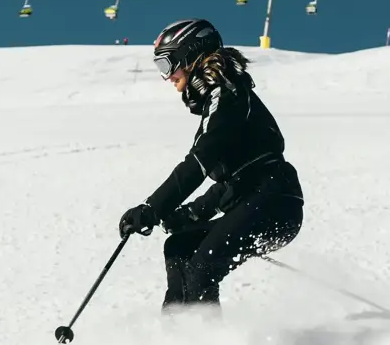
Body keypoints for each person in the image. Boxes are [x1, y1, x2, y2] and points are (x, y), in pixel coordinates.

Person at [118, 18, 305, 315]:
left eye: (167, 66)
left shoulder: (227, 95)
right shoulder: (222, 99)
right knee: (179, 247)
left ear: (190, 56)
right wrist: (192, 212)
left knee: (202, 267)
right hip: (258, 198)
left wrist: (153, 209)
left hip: (273, 202)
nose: (167, 78)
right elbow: (235, 179)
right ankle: (178, 334)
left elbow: (199, 161)